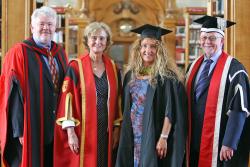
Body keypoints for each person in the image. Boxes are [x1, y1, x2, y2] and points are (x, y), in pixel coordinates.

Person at [0, 6, 68, 167]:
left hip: (57, 125)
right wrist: (19, 130)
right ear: (32, 27)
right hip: (31, 124)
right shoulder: (19, 52)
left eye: (50, 24)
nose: (46, 28)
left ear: (55, 27)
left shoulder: (60, 53)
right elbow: (12, 94)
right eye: (42, 24)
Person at [116, 24, 187, 167]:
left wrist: (163, 137)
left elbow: (170, 110)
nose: (148, 50)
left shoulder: (166, 77)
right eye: (144, 46)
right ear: (138, 49)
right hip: (132, 133)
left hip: (153, 133)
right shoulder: (130, 75)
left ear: (159, 50)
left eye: (153, 46)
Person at [54, 21, 122, 167]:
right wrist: (71, 133)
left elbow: (118, 101)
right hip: (82, 132)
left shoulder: (113, 67)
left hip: (106, 131)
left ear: (107, 42)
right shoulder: (76, 67)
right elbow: (67, 100)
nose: (98, 42)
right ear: (87, 40)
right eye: (94, 38)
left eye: (102, 38)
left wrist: (117, 129)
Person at [185, 15, 250, 167]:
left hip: (219, 140)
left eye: (213, 38)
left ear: (222, 41)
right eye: (204, 37)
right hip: (194, 138)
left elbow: (239, 109)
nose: (207, 42)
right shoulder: (193, 66)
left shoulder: (235, 69)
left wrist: (230, 142)